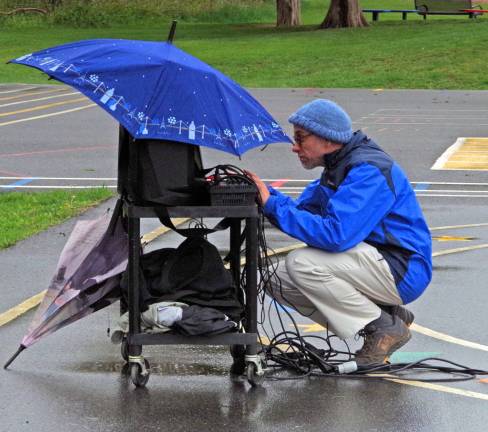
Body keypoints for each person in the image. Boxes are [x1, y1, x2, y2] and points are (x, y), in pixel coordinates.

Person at [246, 99, 432, 366]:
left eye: (300, 138)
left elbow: (336, 236)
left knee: (301, 263)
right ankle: (386, 318)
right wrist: (263, 194)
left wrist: (272, 205)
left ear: (328, 139)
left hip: (401, 268)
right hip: (372, 263)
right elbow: (302, 213)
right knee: (275, 278)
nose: (294, 147)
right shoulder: (336, 169)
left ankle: (383, 327)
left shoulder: (368, 171)